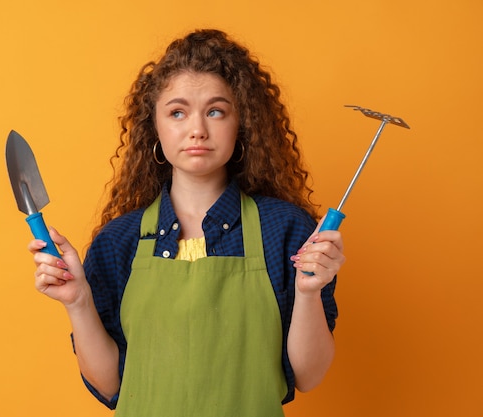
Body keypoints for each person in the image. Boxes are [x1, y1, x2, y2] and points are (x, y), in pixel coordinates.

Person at [28, 29, 345, 417]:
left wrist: (310, 293)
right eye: (177, 112)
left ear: (240, 123)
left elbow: (308, 376)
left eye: (215, 111)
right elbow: (111, 385)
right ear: (155, 130)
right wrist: (77, 302)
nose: (197, 129)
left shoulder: (285, 230)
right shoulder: (118, 242)